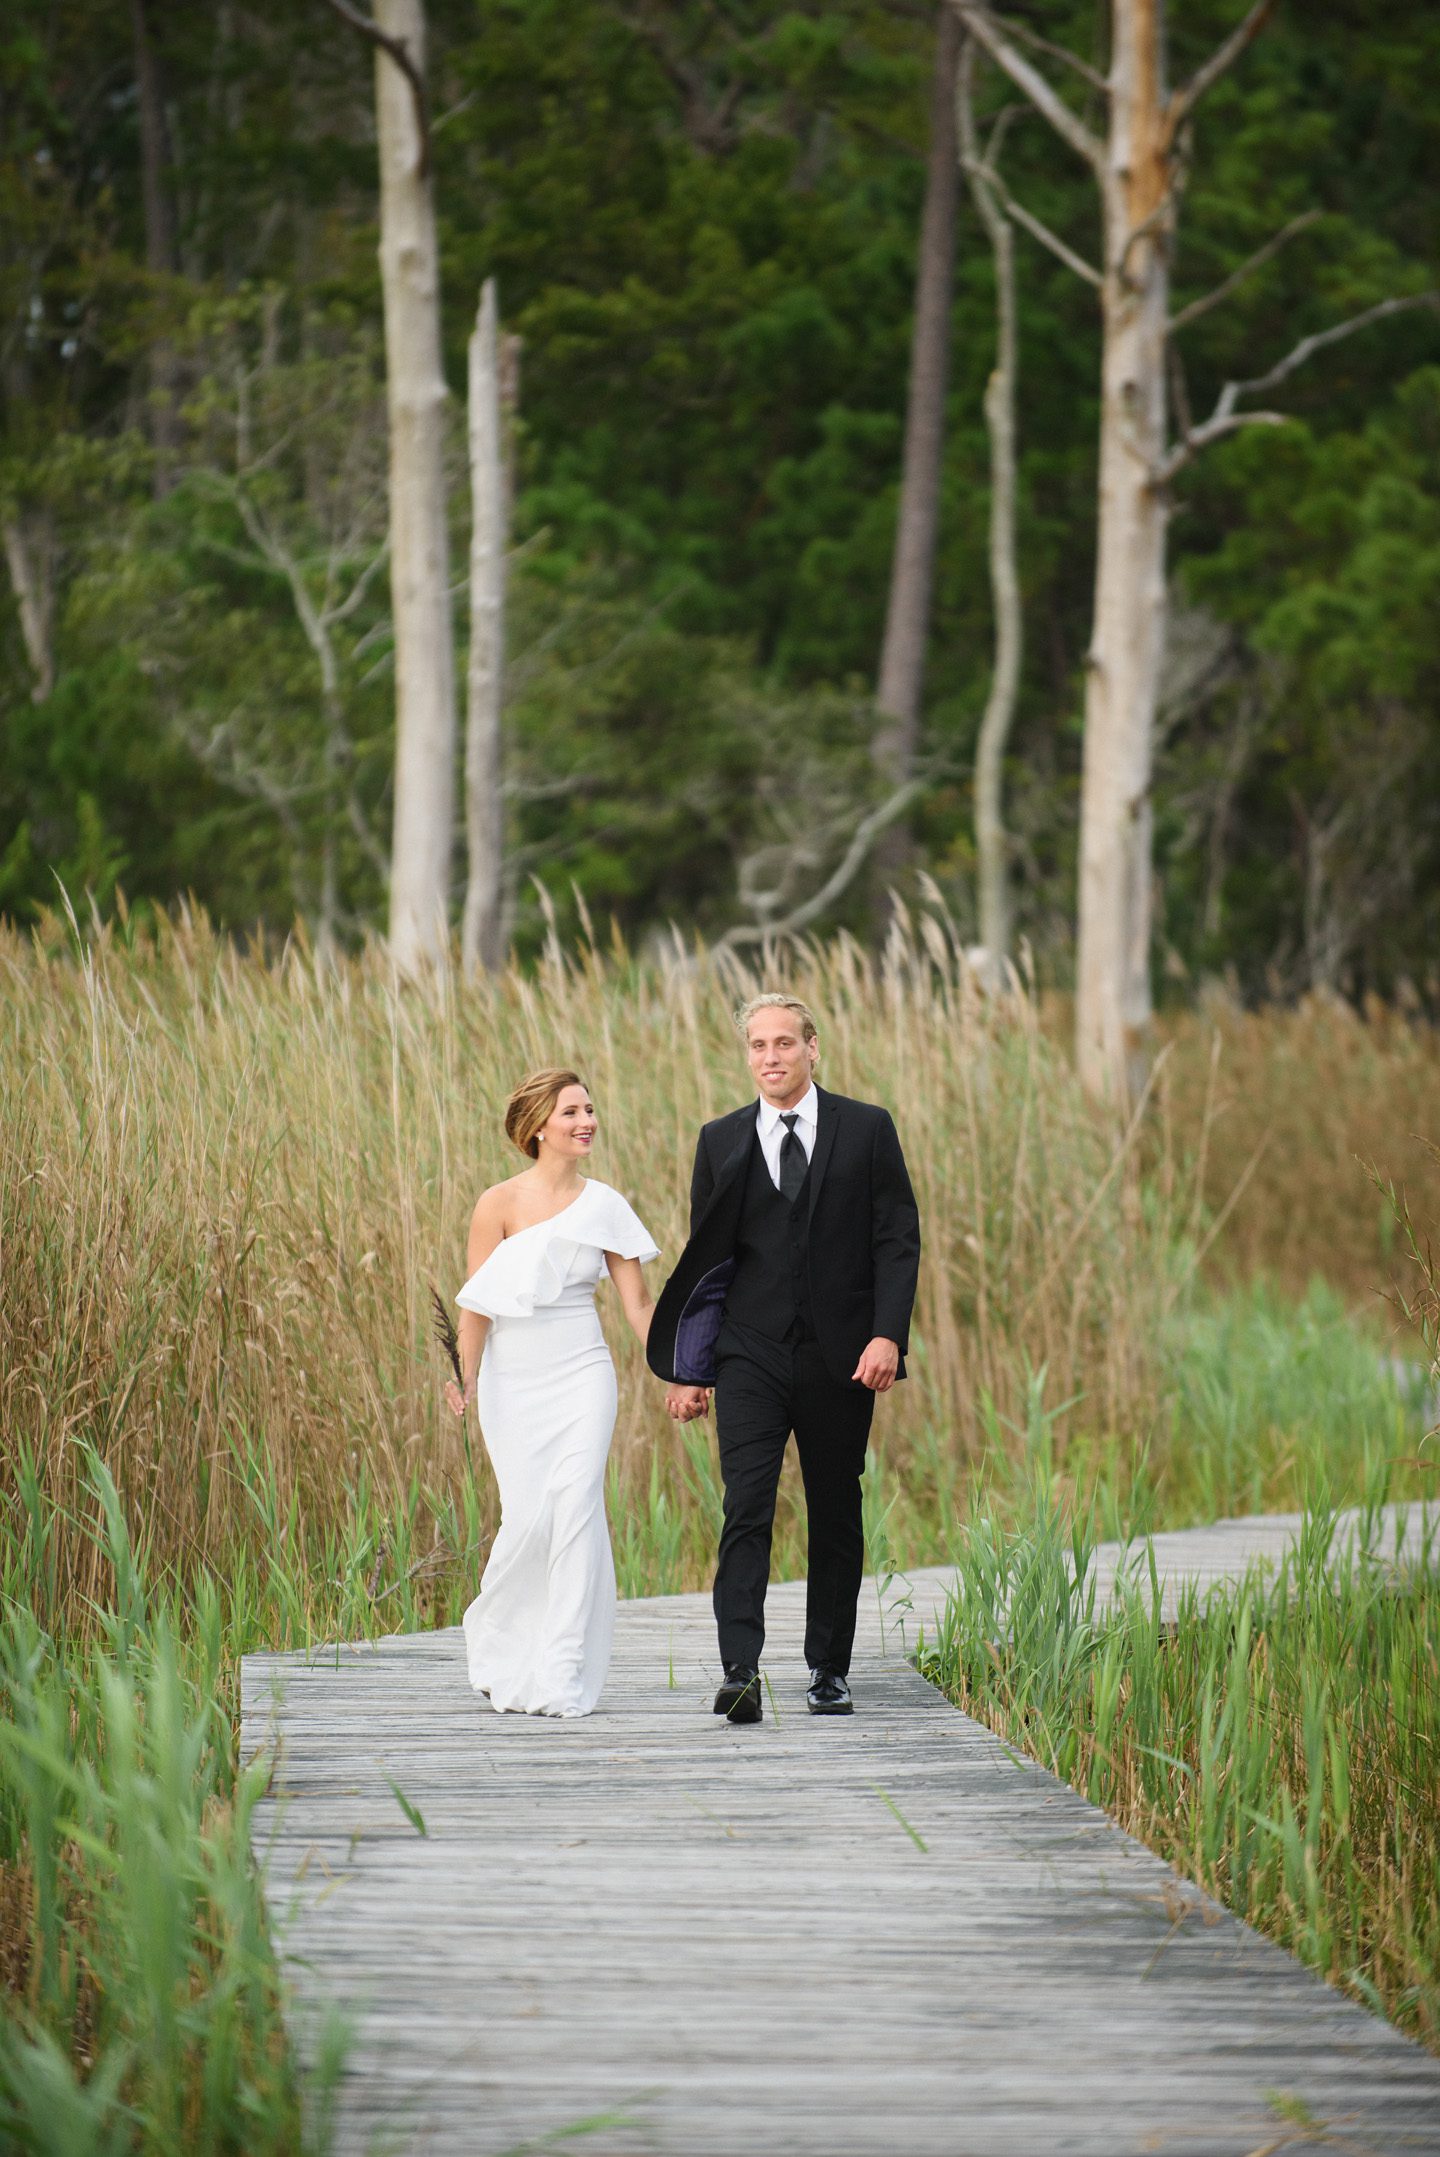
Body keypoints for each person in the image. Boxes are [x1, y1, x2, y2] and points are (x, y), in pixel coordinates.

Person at [646, 993, 920, 1723]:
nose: (771, 1057)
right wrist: (691, 1367)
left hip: (843, 1359)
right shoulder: (721, 1140)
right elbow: (710, 1265)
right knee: (746, 1506)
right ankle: (740, 1671)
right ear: (748, 1056)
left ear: (812, 1046)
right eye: (758, 1046)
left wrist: (887, 1333)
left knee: (836, 1510)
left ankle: (829, 1669)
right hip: (749, 1355)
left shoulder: (867, 1128)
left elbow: (897, 1237)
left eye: (784, 1043)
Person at [445, 1068, 659, 1718]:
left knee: (576, 1505)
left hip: (583, 1372)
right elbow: (477, 1304)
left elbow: (639, 1307)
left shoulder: (607, 1206)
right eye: (571, 1111)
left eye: (590, 1108)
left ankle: (563, 1669)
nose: (586, 1120)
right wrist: (465, 1374)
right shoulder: (497, 1203)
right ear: (540, 1125)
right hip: (513, 1381)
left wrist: (683, 1364)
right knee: (526, 1518)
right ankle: (502, 1647)